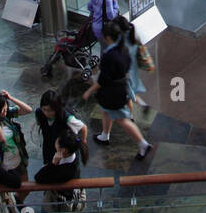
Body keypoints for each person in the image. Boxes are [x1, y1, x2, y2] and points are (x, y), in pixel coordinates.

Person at [82, 24, 154, 159]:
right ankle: (105, 135)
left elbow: (103, 80)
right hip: (119, 89)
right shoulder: (123, 50)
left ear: (107, 37)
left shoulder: (109, 55)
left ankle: (143, 144)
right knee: (106, 111)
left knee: (122, 119)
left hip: (112, 93)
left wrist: (88, 91)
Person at [34, 130, 97, 213]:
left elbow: (39, 178)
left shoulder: (63, 170)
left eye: (57, 142)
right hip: (73, 194)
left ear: (64, 150)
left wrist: (53, 164)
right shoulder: (74, 153)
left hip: (62, 200)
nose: (55, 142)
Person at [0, 90, 34, 203]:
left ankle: (17, 203)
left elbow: (28, 110)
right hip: (5, 166)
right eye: (3, 110)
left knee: (26, 189)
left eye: (6, 109)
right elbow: (2, 138)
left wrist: (10, 98)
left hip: (19, 161)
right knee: (6, 196)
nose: (6, 112)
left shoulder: (5, 116)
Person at [34, 90, 89, 165]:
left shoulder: (66, 117)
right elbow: (39, 123)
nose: (47, 113)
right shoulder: (39, 112)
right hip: (48, 145)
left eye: (50, 110)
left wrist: (83, 141)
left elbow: (83, 128)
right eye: (44, 109)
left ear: (57, 108)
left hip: (63, 148)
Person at [110, 17, 150, 114]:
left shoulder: (122, 42)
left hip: (126, 72)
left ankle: (131, 112)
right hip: (133, 69)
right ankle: (141, 105)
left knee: (127, 92)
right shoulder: (133, 36)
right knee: (129, 91)